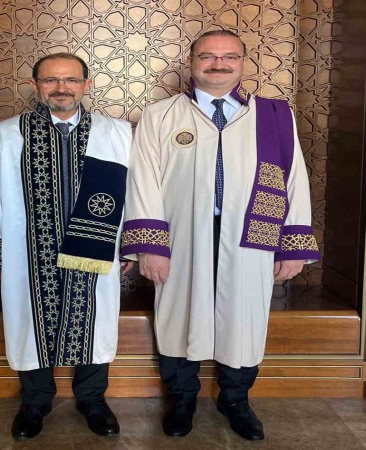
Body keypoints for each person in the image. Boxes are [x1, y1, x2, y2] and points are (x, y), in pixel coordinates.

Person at [121, 30, 320, 441]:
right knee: (179, 317)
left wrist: (292, 245)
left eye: (229, 56)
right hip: (180, 236)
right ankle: (182, 400)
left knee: (244, 317)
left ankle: (236, 400)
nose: (219, 63)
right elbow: (143, 182)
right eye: (208, 56)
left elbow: (294, 180)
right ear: (191, 61)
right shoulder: (161, 115)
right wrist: (150, 247)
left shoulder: (274, 115)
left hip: (253, 236)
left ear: (243, 62)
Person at [0, 53, 133, 440]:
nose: (61, 88)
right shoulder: (9, 134)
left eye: (70, 80)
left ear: (86, 85)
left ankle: (93, 399)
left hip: (96, 244)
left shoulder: (116, 133)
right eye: (51, 80)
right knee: (29, 318)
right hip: (28, 250)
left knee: (94, 317)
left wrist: (129, 245)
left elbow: (135, 193)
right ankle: (35, 401)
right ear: (36, 85)